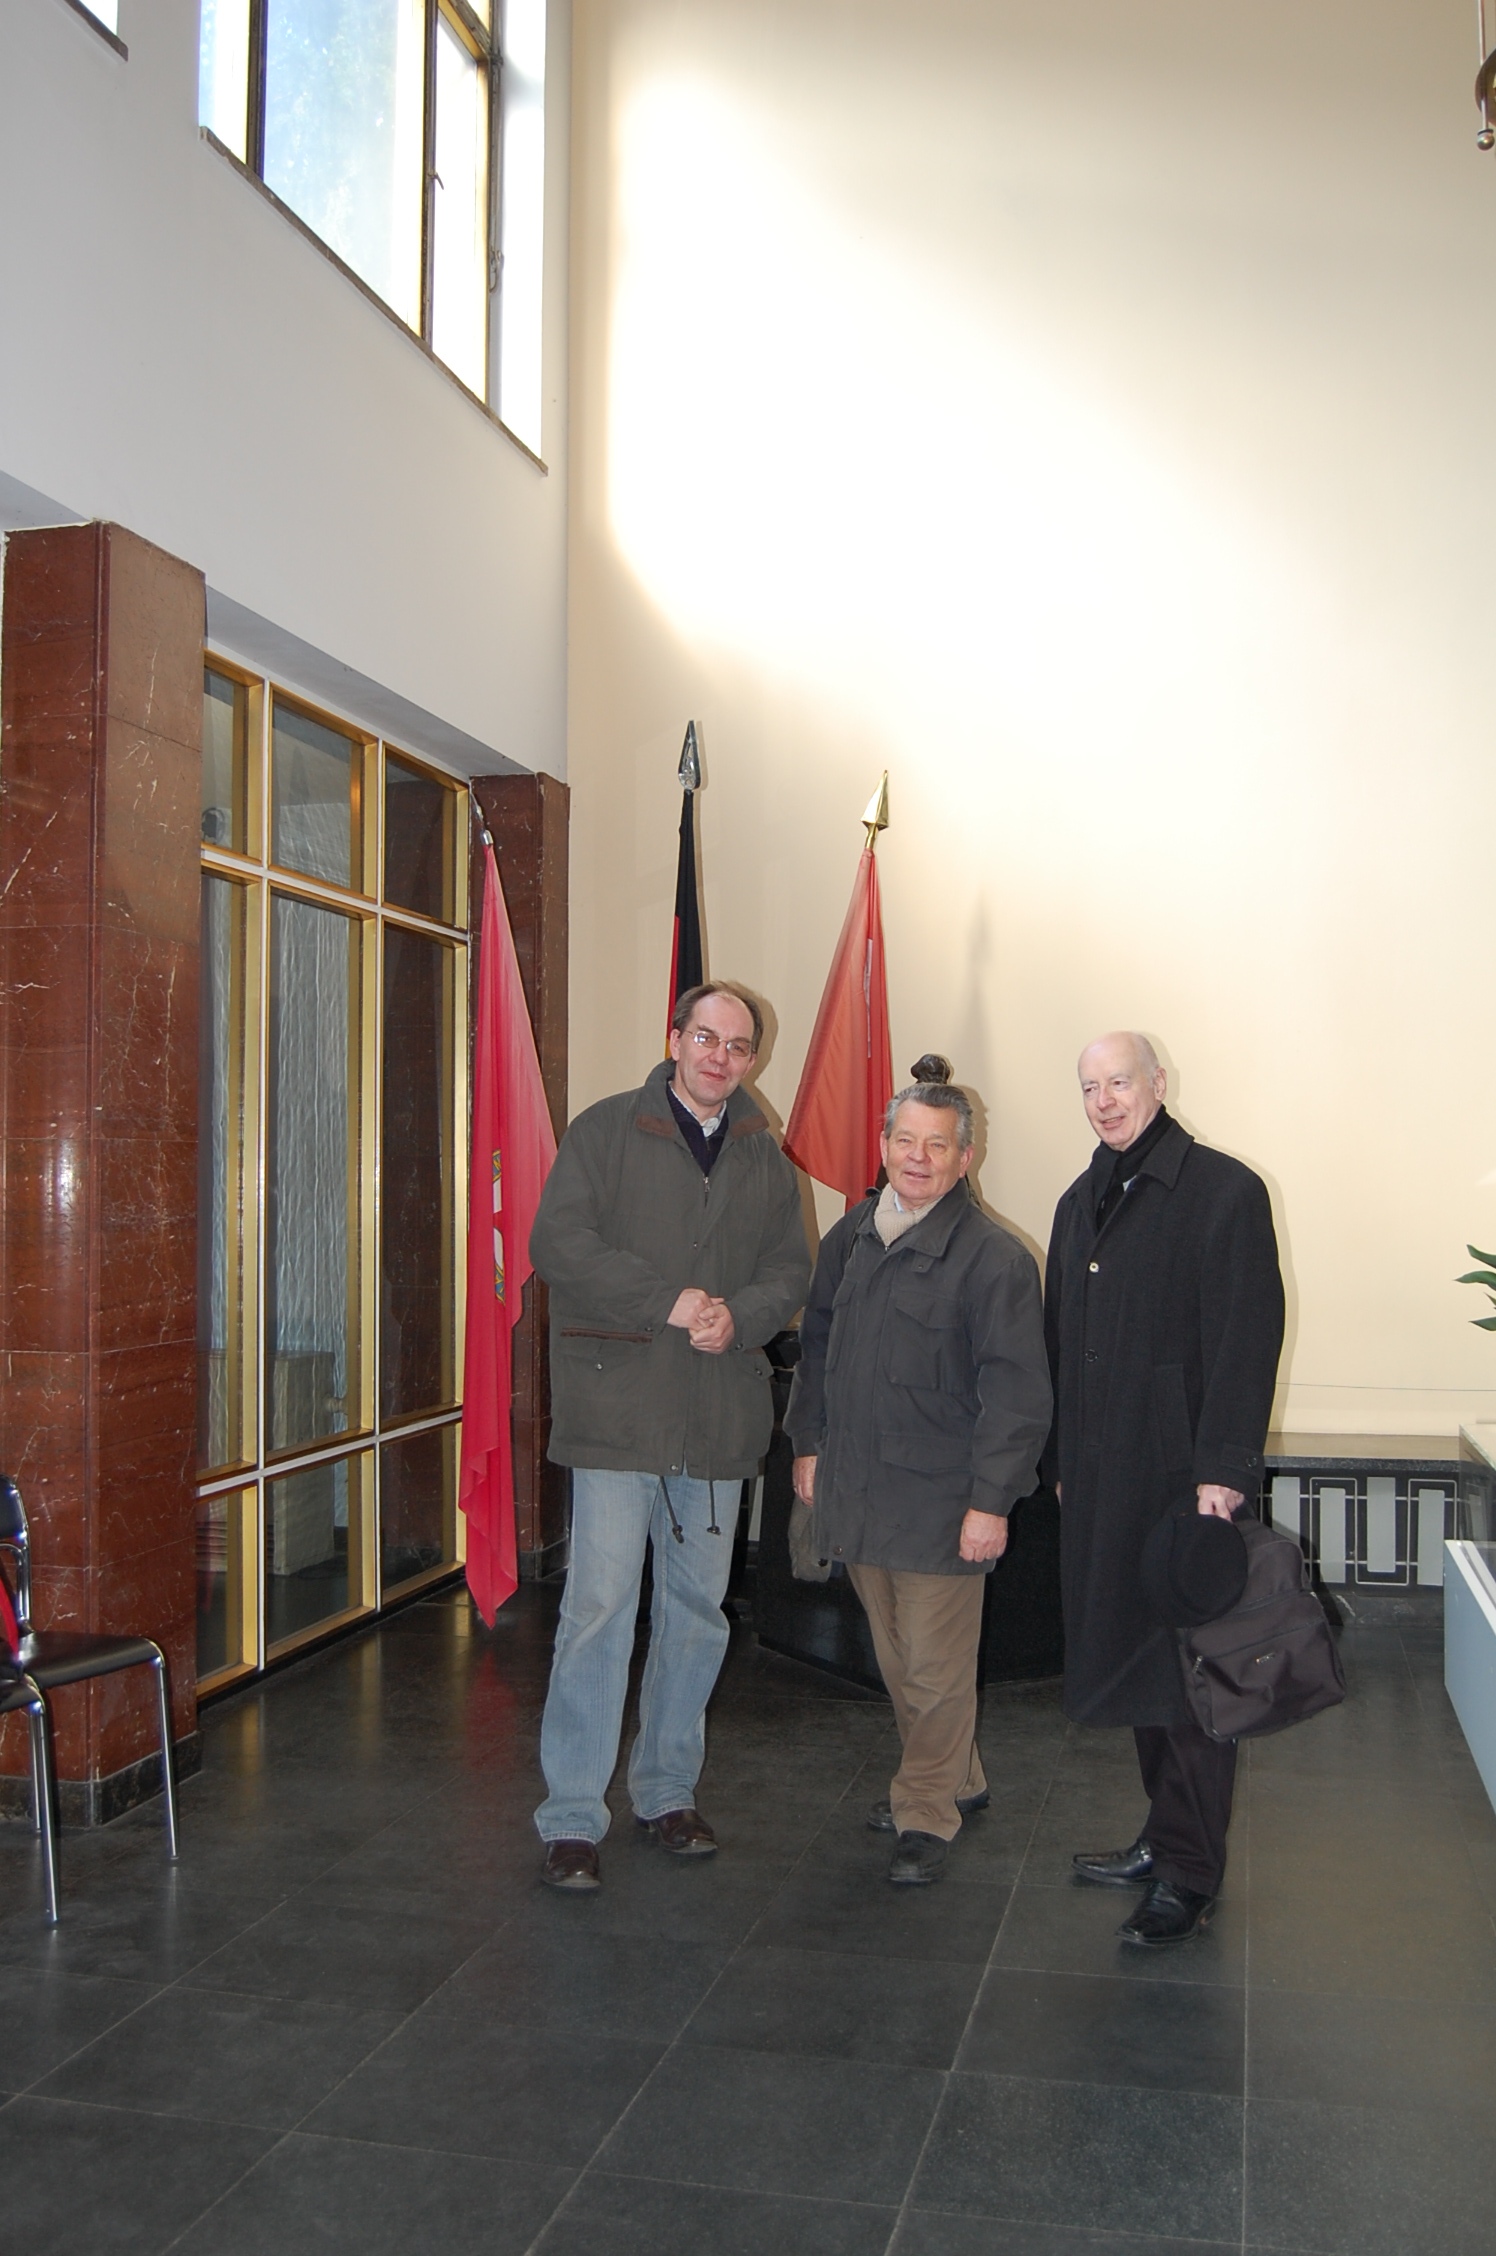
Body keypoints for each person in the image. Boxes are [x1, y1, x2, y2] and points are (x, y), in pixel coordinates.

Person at [528, 982, 810, 1889]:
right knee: (599, 1614)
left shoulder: (765, 1156)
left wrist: (744, 1317)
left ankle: (666, 1793)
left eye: (737, 1045)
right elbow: (557, 1244)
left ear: (752, 1059)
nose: (720, 1057)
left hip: (717, 1415)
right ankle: (574, 1816)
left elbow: (790, 1270)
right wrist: (668, 1303)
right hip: (618, 1415)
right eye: (706, 1038)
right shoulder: (605, 1130)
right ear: (676, 1038)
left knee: (696, 1615)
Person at [1046, 1031, 1285, 1945]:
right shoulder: (1080, 1200)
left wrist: (1223, 1471)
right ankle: (1165, 1832)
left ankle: (1189, 1871)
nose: (1105, 1101)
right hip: (1103, 1478)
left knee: (1192, 1682)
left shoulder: (1225, 1190)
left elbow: (1246, 1339)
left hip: (1187, 1484)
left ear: (1158, 1082)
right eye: (1090, 1088)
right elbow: (1060, 1338)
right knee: (1141, 1665)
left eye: (1120, 1082)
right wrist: (1061, 1462)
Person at [787, 1076, 1051, 1884]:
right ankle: (956, 1777)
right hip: (860, 1489)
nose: (919, 1158)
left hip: (943, 1499)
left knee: (936, 1668)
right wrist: (808, 1443)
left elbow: (1017, 1395)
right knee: (898, 1656)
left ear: (966, 1158)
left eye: (938, 1145)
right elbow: (818, 1348)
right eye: (906, 1140)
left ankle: (927, 1810)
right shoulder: (852, 1236)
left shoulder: (996, 1259)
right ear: (884, 1145)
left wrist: (990, 1502)